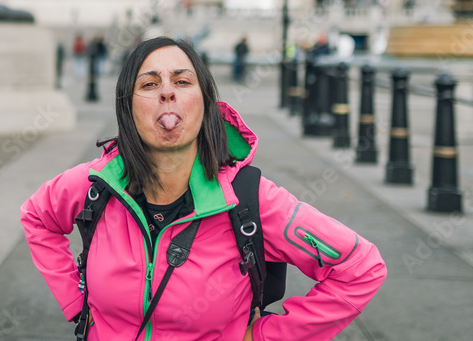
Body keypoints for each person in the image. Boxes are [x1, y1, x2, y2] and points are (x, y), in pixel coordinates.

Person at [20, 37, 386, 340]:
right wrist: (76, 302)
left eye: (182, 81)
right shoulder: (93, 186)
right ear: (127, 108)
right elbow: (37, 216)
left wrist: (268, 335)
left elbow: (361, 267)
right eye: (149, 84)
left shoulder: (249, 201)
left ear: (206, 103)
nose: (167, 92)